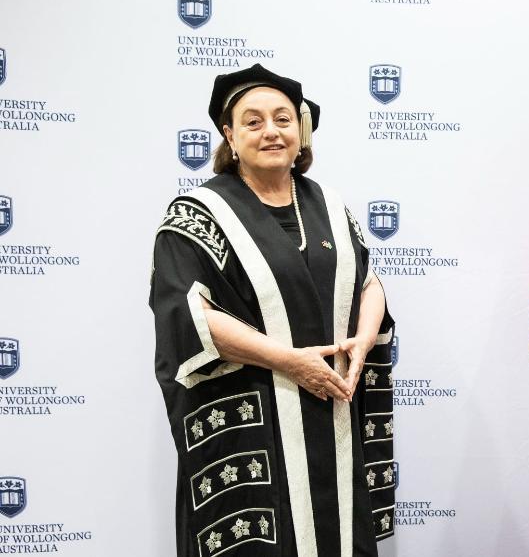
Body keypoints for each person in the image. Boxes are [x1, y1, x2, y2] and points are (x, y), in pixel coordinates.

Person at [150, 63, 396, 557]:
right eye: (253, 121)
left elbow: (369, 284)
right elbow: (187, 313)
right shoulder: (197, 212)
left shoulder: (328, 204)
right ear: (230, 134)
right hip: (255, 416)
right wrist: (288, 360)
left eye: (283, 119)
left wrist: (365, 340)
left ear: (300, 132)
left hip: (333, 411)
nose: (271, 132)